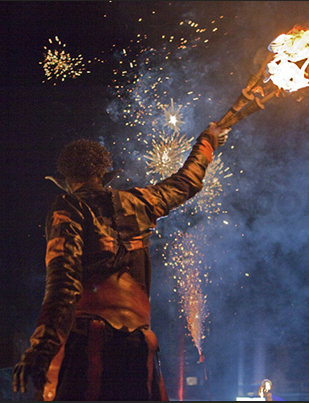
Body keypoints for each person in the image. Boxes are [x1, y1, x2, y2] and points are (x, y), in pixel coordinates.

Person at [12, 121, 230, 400]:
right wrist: (207, 142)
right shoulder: (139, 202)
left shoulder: (67, 206)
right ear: (103, 174)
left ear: (67, 180)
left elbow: (63, 283)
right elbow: (186, 181)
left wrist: (40, 348)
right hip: (139, 351)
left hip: (91, 350)